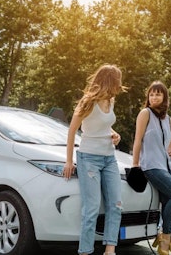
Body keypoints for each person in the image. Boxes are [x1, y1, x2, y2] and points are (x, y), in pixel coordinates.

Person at [63, 64, 126, 255]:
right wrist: (68, 161)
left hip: (109, 158)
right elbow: (73, 130)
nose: (119, 85)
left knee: (115, 205)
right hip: (88, 158)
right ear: (110, 81)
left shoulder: (111, 100)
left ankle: (110, 250)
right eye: (117, 81)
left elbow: (103, 126)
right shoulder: (87, 102)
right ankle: (85, 251)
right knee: (91, 209)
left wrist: (115, 135)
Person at [131, 81, 171, 255]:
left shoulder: (168, 119)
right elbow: (138, 139)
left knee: (168, 202)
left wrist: (169, 150)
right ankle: (166, 237)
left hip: (166, 166)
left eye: (158, 94)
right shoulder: (145, 113)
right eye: (151, 94)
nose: (154, 97)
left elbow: (170, 140)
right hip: (151, 165)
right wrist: (135, 164)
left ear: (164, 97)